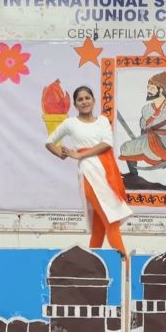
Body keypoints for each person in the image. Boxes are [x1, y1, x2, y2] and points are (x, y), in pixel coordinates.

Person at [45, 86, 133, 252]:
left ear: (93, 101)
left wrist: (80, 154)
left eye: (87, 98)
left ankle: (91, 263)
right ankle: (124, 264)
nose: (84, 102)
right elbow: (49, 142)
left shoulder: (103, 121)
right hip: (89, 175)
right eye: (80, 99)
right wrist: (62, 154)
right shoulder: (70, 123)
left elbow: (107, 143)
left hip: (106, 174)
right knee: (111, 221)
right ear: (75, 104)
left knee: (99, 226)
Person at [118, 71, 166, 189]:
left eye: (152, 88)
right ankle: (133, 174)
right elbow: (143, 126)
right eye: (148, 87)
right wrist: (141, 137)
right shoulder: (146, 109)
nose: (148, 90)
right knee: (126, 147)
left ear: (161, 89)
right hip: (149, 140)